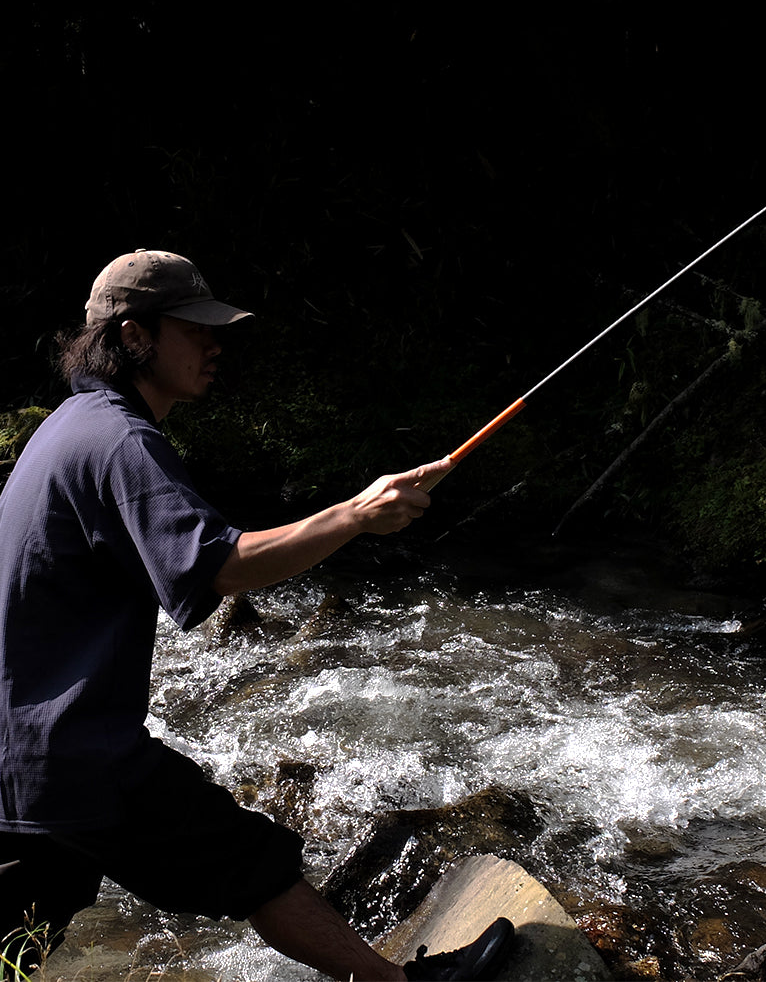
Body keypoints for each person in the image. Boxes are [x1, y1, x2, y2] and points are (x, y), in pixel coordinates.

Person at [0, 250, 514, 982]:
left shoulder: (67, 428)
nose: (215, 345)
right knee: (252, 860)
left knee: (30, 922)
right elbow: (223, 564)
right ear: (135, 336)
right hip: (68, 754)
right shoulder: (119, 439)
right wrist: (358, 514)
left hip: (13, 756)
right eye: (195, 330)